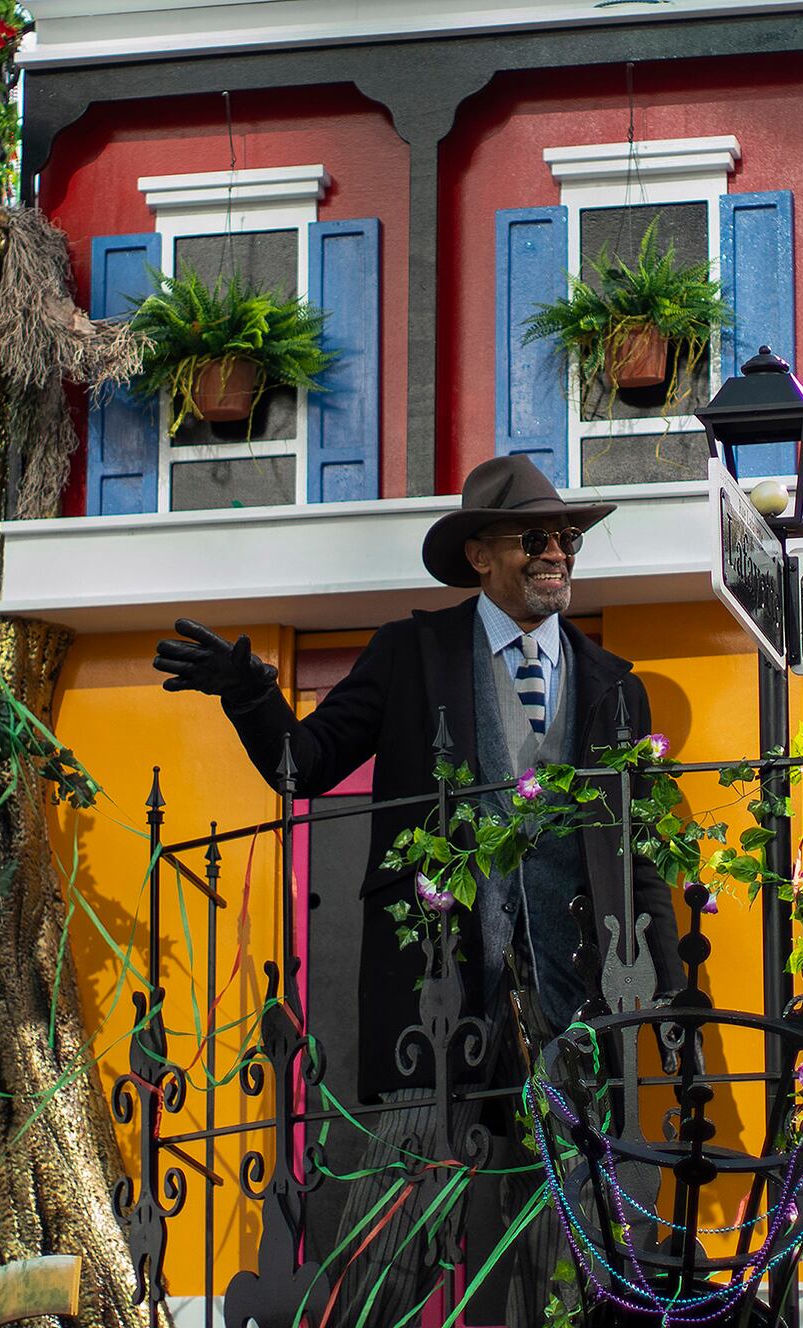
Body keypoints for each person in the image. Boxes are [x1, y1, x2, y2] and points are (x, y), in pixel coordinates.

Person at [152, 454, 685, 1327]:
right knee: (396, 1238)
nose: (559, 554)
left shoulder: (613, 686)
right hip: (434, 997)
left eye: (569, 540)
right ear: (480, 554)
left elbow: (640, 855)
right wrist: (250, 694)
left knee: (566, 1257)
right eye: (537, 538)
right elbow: (305, 766)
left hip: (573, 996)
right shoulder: (409, 654)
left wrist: (666, 995)